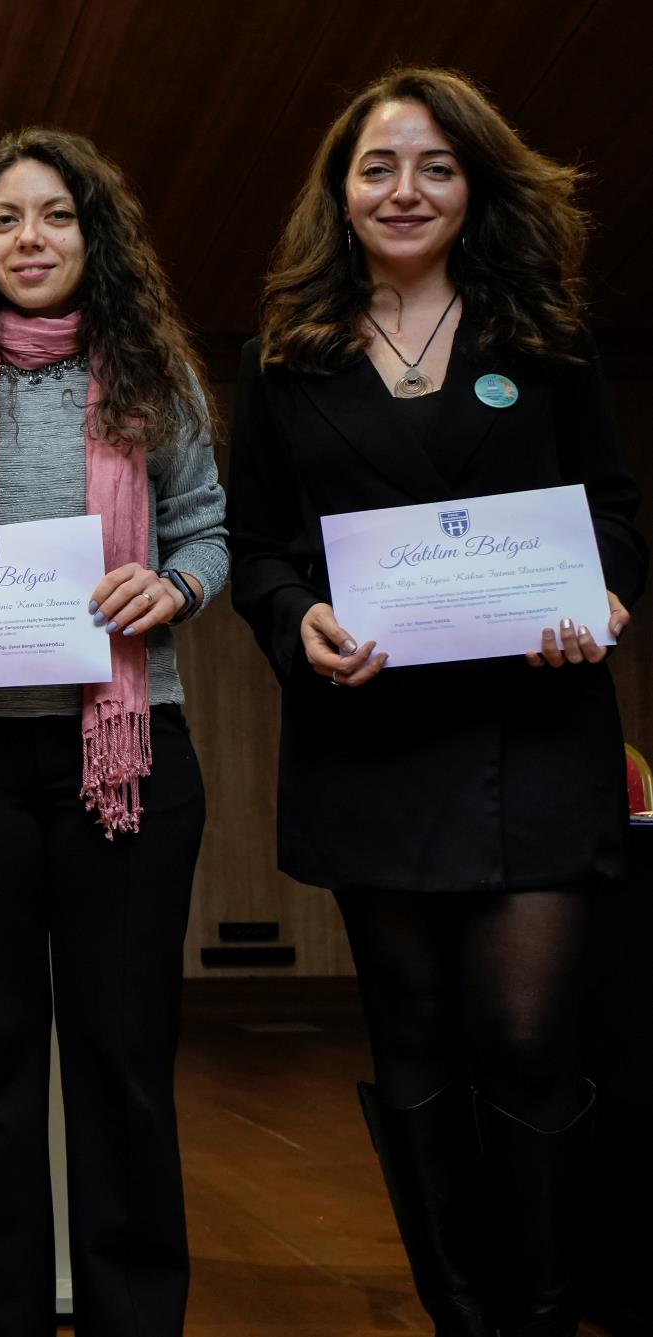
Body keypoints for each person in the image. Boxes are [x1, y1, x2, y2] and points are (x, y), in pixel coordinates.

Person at [228, 67, 645, 1336]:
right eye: (377, 167)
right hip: (372, 736)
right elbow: (257, 545)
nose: (403, 190)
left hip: (534, 729)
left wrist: (603, 593)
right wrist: (296, 618)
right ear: (339, 192)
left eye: (435, 166)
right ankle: (462, 1316)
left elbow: (615, 513)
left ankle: (542, 1314)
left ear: (473, 187)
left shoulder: (547, 338)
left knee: (523, 1032)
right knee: (409, 1031)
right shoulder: (281, 357)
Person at [0, 128, 227, 1336]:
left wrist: (172, 585)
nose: (29, 238)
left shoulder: (154, 376)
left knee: (123, 1071)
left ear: (92, 233)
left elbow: (206, 531)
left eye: (55, 215)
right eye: (4, 218)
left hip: (125, 760)